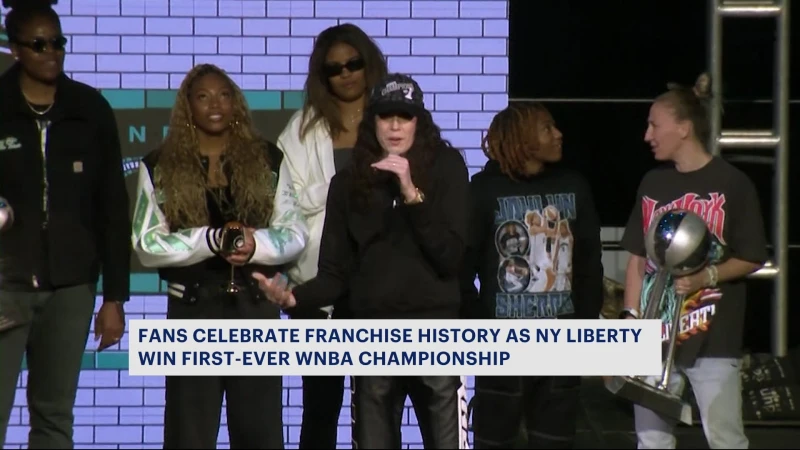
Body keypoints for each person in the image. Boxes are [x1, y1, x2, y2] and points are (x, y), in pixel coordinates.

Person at [254, 73, 471, 449]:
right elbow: (335, 273)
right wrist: (294, 298)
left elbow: (451, 258)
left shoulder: (448, 167)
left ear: (420, 121)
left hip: (436, 332)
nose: (396, 126)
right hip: (371, 334)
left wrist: (410, 194)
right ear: (373, 122)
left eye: (405, 116)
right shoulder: (349, 182)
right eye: (387, 116)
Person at [130, 63, 309, 449]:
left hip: (255, 307)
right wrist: (210, 240)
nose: (216, 104)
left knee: (260, 432)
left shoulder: (267, 160)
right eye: (204, 96)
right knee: (189, 434)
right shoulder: (158, 166)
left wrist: (254, 244)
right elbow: (146, 243)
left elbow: (296, 232)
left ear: (237, 104)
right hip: (192, 311)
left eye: (225, 95)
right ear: (187, 107)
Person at [0, 1, 129, 447]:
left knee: (55, 417)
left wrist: (114, 296)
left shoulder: (90, 109)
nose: (51, 51)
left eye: (58, 42)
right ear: (15, 49)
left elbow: (113, 207)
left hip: (71, 289)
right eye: (38, 44)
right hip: (5, 286)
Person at [619, 72, 769, 449]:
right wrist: (630, 320)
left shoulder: (732, 183)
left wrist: (709, 275)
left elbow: (752, 256)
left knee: (725, 439)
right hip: (655, 337)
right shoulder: (653, 183)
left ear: (684, 128)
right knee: (651, 440)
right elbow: (637, 257)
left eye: (655, 125)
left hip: (713, 339)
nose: (647, 135)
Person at [460, 103, 604, 449]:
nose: (558, 134)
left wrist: (583, 329)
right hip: (502, 349)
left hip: (560, 347)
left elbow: (589, 265)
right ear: (522, 138)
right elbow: (462, 268)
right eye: (546, 128)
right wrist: (482, 327)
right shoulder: (483, 189)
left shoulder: (574, 185)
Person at [275, 23, 388, 449]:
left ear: (368, 63)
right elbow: (287, 202)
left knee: (380, 405)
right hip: (317, 286)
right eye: (334, 69)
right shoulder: (301, 128)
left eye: (353, 64)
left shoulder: (392, 120)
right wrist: (345, 187)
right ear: (322, 77)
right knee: (320, 409)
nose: (346, 74)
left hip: (380, 286)